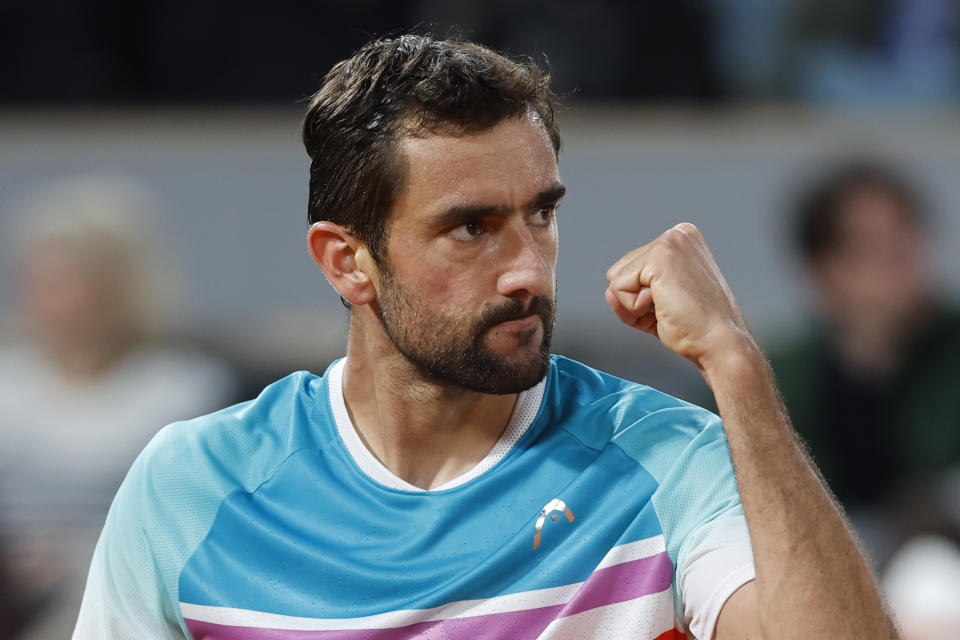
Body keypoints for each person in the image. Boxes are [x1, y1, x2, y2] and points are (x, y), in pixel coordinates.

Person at [73, 36, 897, 639]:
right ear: (348, 262)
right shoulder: (192, 488)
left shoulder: (666, 456)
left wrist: (737, 367)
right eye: (471, 228)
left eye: (541, 214)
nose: (528, 271)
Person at [0, 176, 237, 639]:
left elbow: (192, 528)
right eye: (35, 278)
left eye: (65, 280)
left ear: (119, 286)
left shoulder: (183, 390)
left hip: (128, 590)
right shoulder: (6, 383)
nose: (43, 298)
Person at [769, 160, 960, 567]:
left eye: (906, 236)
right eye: (871, 245)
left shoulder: (951, 349)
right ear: (824, 268)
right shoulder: (777, 375)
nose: (898, 259)